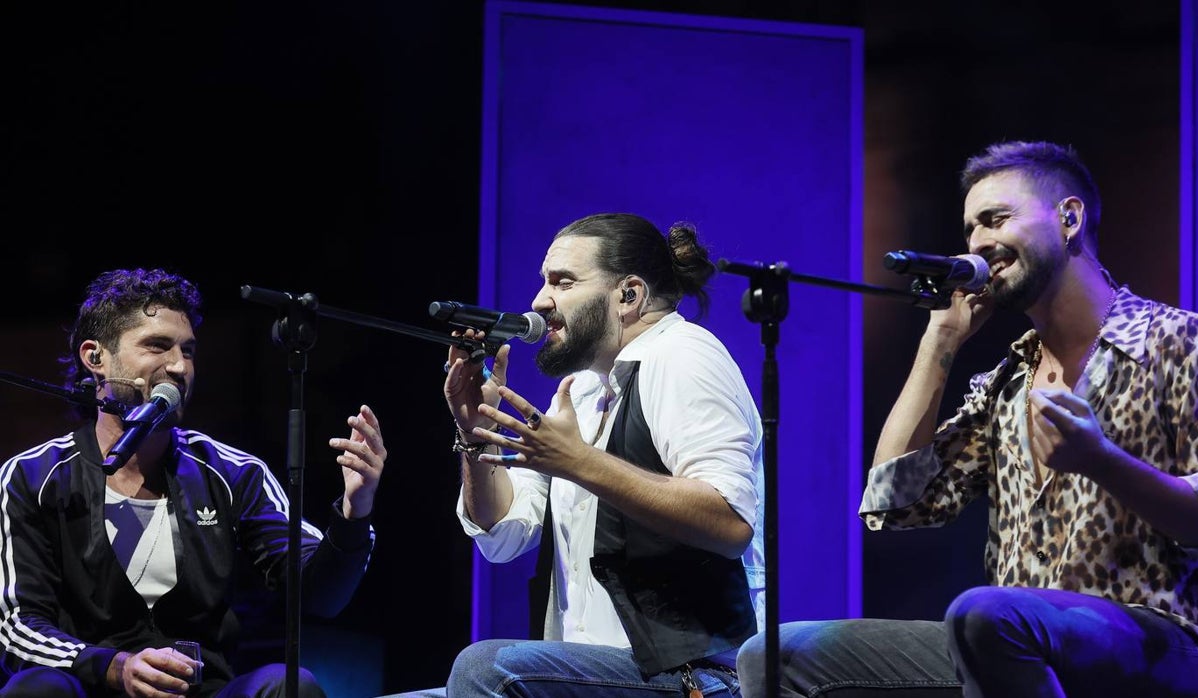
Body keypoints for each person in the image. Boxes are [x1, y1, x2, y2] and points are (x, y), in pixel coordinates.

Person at [737, 140, 1198, 698]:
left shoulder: (1181, 343)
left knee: (988, 614)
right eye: (970, 230)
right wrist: (941, 341)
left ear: (1069, 218)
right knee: (774, 656)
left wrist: (1101, 461)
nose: (980, 243)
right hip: (1009, 640)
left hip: (1167, 644)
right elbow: (894, 503)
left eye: (996, 219)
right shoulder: (1007, 383)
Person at [399, 212, 765, 697]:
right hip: (600, 673)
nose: (539, 301)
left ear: (628, 295)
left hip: (696, 676)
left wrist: (578, 462)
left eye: (562, 282)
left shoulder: (684, 357)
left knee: (486, 668)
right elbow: (505, 535)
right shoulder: (585, 391)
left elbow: (729, 521)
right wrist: (475, 433)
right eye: (543, 282)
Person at [0, 268, 386, 697]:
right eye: (157, 346)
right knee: (35, 689)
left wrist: (354, 512)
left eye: (188, 350)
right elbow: (16, 627)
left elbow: (319, 593)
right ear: (95, 358)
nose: (179, 366)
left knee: (287, 685)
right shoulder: (33, 476)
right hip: (90, 688)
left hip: (204, 692)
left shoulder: (232, 472)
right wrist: (114, 667)